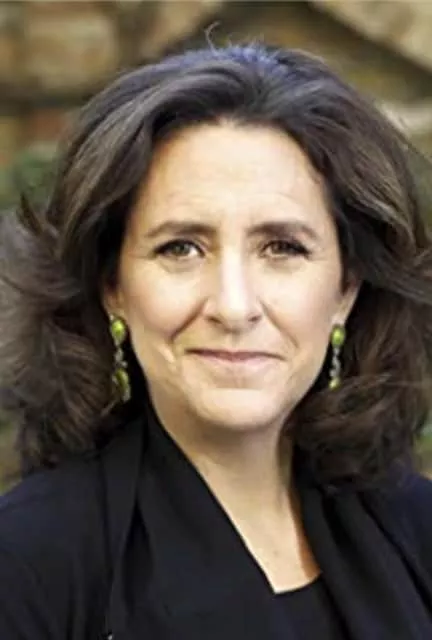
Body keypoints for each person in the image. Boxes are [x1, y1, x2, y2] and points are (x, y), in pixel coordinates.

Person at [0, 42, 431, 640]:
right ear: (112, 286)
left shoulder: (416, 529)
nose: (233, 306)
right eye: (181, 248)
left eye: (281, 248)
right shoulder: (27, 566)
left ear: (346, 289)